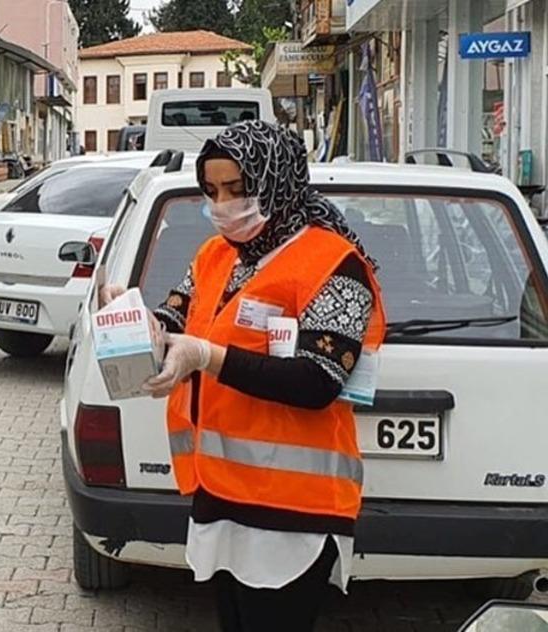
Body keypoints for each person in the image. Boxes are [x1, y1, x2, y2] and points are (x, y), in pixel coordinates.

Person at [145, 121, 386, 631]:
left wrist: (207, 358)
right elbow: (176, 310)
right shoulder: (217, 255)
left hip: (293, 509)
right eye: (211, 191)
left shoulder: (336, 264)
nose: (223, 205)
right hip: (221, 491)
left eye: (237, 189)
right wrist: (137, 325)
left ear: (275, 181)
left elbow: (318, 381)